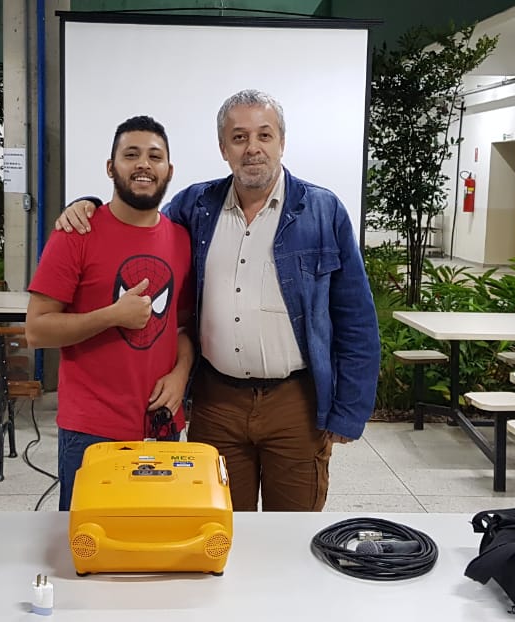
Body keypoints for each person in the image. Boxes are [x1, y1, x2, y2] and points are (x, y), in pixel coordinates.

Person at [57, 90, 379, 511]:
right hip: (218, 403)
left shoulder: (322, 210)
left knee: (294, 533)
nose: (253, 148)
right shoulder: (196, 206)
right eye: (239, 137)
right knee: (221, 526)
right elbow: (140, 220)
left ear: (282, 142)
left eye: (264, 135)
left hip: (295, 404)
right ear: (224, 148)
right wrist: (87, 205)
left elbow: (355, 318)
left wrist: (348, 410)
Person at [26, 115, 194, 511]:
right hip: (91, 430)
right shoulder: (75, 234)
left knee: (156, 547)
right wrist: (112, 315)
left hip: (162, 423)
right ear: (110, 166)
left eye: (155, 156)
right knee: (89, 548)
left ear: (169, 170)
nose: (143, 164)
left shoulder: (181, 239)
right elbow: (37, 329)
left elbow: (182, 327)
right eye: (130, 154)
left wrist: (180, 376)